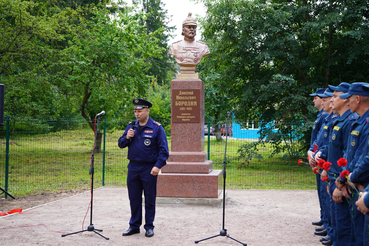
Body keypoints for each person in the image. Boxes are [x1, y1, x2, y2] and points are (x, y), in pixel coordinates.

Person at [118, 98, 169, 238]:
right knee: (134, 198)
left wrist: (157, 166)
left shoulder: (157, 128)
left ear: (147, 110)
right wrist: (127, 137)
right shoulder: (131, 126)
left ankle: (149, 226)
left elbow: (164, 151)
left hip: (149, 168)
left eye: (140, 111)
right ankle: (134, 226)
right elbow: (121, 144)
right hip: (133, 167)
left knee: (149, 198)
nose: (137, 114)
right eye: (135, 111)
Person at [315, 82, 356, 246]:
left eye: (335, 96)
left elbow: (348, 155)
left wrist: (340, 180)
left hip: (342, 180)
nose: (331, 100)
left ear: (348, 100)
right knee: (339, 225)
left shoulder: (350, 122)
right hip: (333, 176)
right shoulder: (338, 120)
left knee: (345, 227)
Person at [337, 82, 369, 246]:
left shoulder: (366, 123)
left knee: (362, 236)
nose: (347, 102)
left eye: (349, 99)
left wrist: (349, 178)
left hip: (363, 186)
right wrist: (345, 177)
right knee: (358, 233)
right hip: (356, 183)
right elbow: (353, 155)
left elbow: (366, 159)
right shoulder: (361, 122)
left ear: (358, 99)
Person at [307, 88, 327, 229]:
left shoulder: (325, 116)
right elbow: (317, 139)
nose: (314, 100)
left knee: (324, 191)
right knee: (321, 191)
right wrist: (311, 152)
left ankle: (327, 222)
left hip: (322, 157)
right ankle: (324, 219)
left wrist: (314, 154)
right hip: (316, 155)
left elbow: (323, 141)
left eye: (316, 97)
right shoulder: (321, 115)